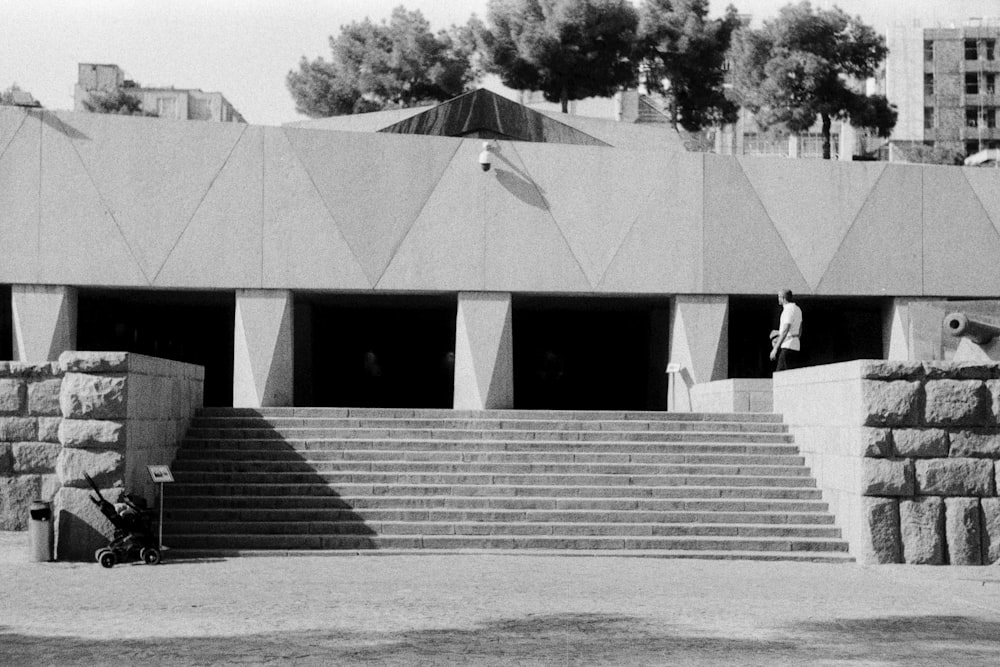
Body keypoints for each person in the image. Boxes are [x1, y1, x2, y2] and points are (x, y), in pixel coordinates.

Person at [770, 289, 802, 372]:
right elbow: (800, 328)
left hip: (787, 347)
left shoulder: (788, 310)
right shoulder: (797, 309)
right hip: (796, 346)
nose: (778, 299)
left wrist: (775, 348)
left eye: (779, 297)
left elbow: (786, 329)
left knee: (780, 376)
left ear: (783, 298)